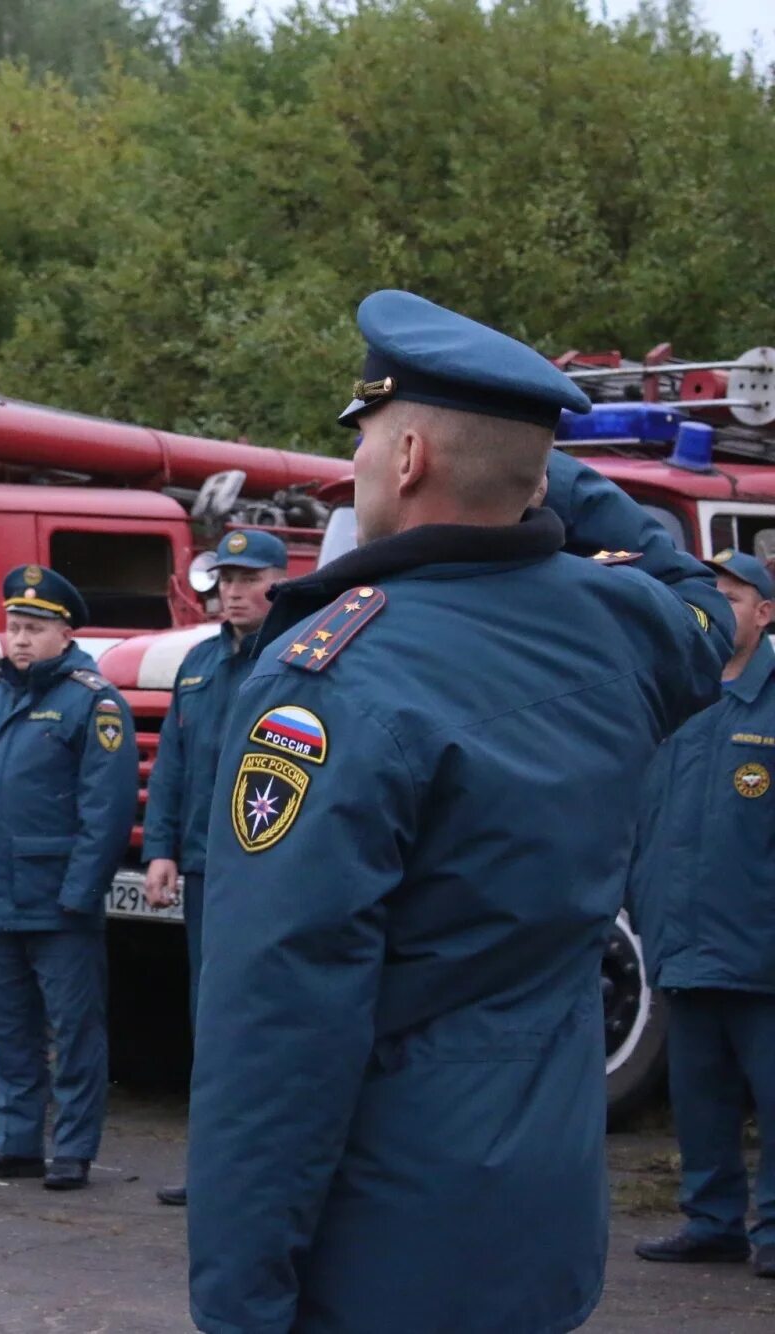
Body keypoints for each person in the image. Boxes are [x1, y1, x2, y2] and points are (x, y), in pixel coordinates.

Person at [186, 290, 735, 1334]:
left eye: (365, 440)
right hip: (537, 1225)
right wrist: (536, 459)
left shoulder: (332, 681)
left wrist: (237, 1300)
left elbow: (279, 1025)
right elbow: (700, 604)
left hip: (382, 1251)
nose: (353, 466)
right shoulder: (613, 623)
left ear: (405, 462)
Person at [0, 566, 135, 1191]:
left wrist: (81, 894)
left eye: (35, 628)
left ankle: (74, 1147)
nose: (20, 639)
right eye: (14, 627)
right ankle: (16, 1140)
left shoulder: (93, 702)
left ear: (65, 631)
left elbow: (104, 812)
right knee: (10, 1026)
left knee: (74, 1030)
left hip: (57, 900)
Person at [628, 549, 775, 1280]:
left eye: (735, 595)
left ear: (765, 612)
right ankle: (713, 1220)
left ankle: (774, 1231)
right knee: (701, 1096)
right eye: (709, 594)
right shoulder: (676, 694)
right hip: (682, 941)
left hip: (762, 947)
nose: (719, 606)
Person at [139, 528, 287, 1208]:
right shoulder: (198, 663)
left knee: (264, 1017)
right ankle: (213, 1167)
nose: (231, 590)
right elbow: (172, 765)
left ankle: (265, 1168)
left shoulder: (294, 660)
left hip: (269, 870)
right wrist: (160, 848)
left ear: (277, 583)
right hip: (202, 866)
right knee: (211, 1018)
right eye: (224, 578)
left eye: (247, 577)